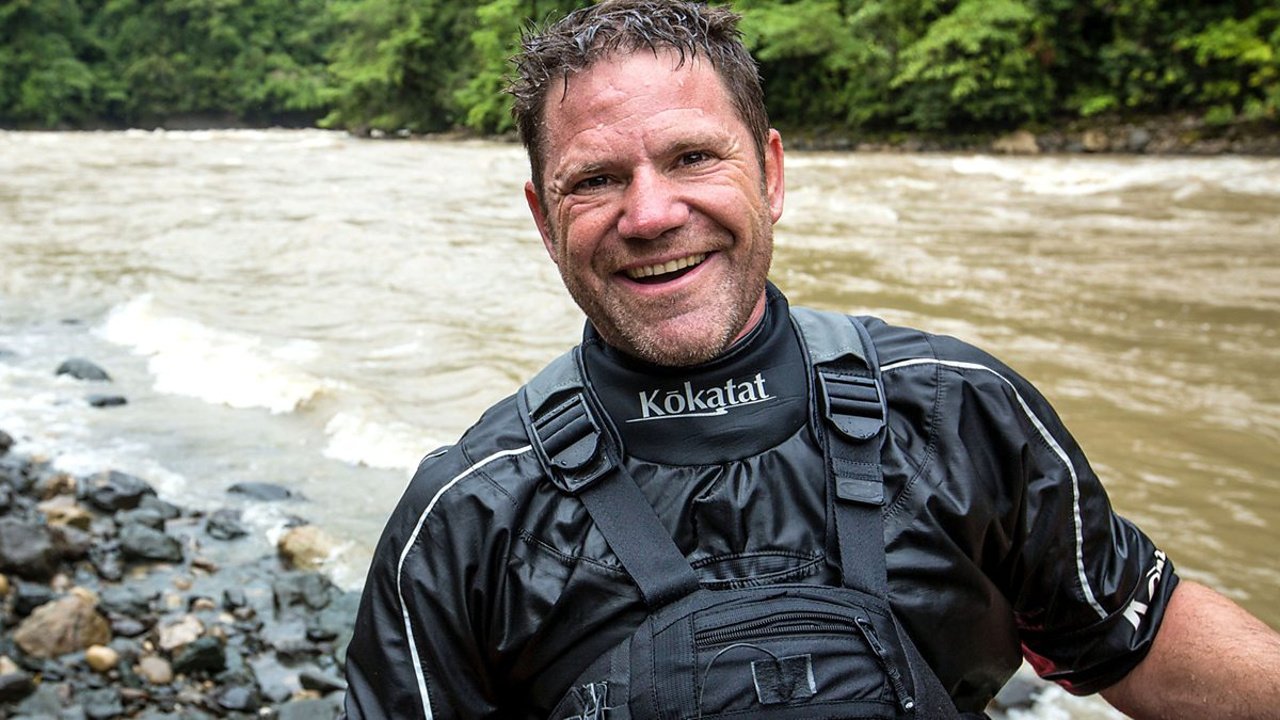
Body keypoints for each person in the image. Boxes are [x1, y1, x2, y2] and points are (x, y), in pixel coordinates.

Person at [342, 1, 1280, 718]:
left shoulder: (957, 411)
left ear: (773, 173)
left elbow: (1136, 635)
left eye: (692, 158)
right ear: (545, 221)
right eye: (595, 179)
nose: (650, 213)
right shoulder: (466, 515)